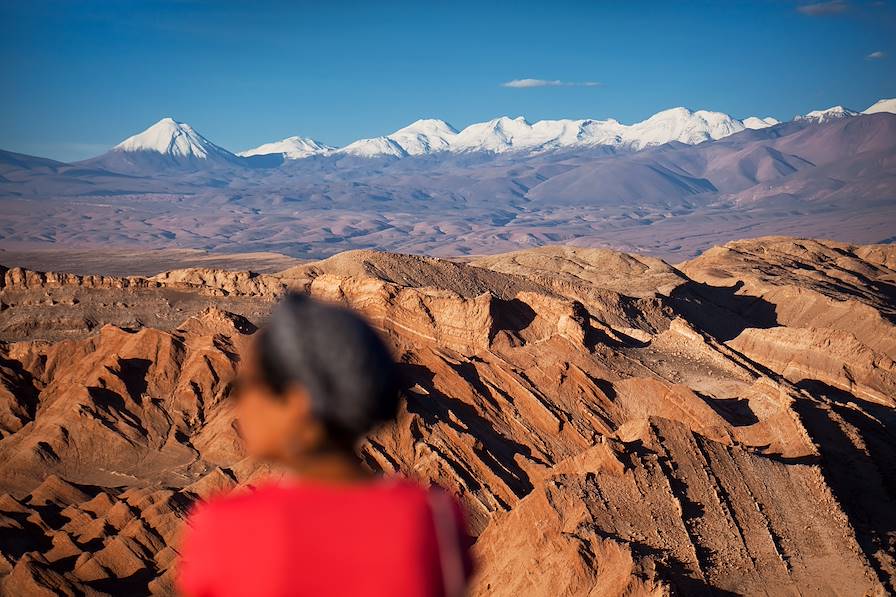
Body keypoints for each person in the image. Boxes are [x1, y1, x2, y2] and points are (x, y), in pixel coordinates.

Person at [177, 293, 473, 597]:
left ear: (297, 403)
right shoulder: (435, 520)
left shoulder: (225, 531)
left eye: (245, 387)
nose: (238, 403)